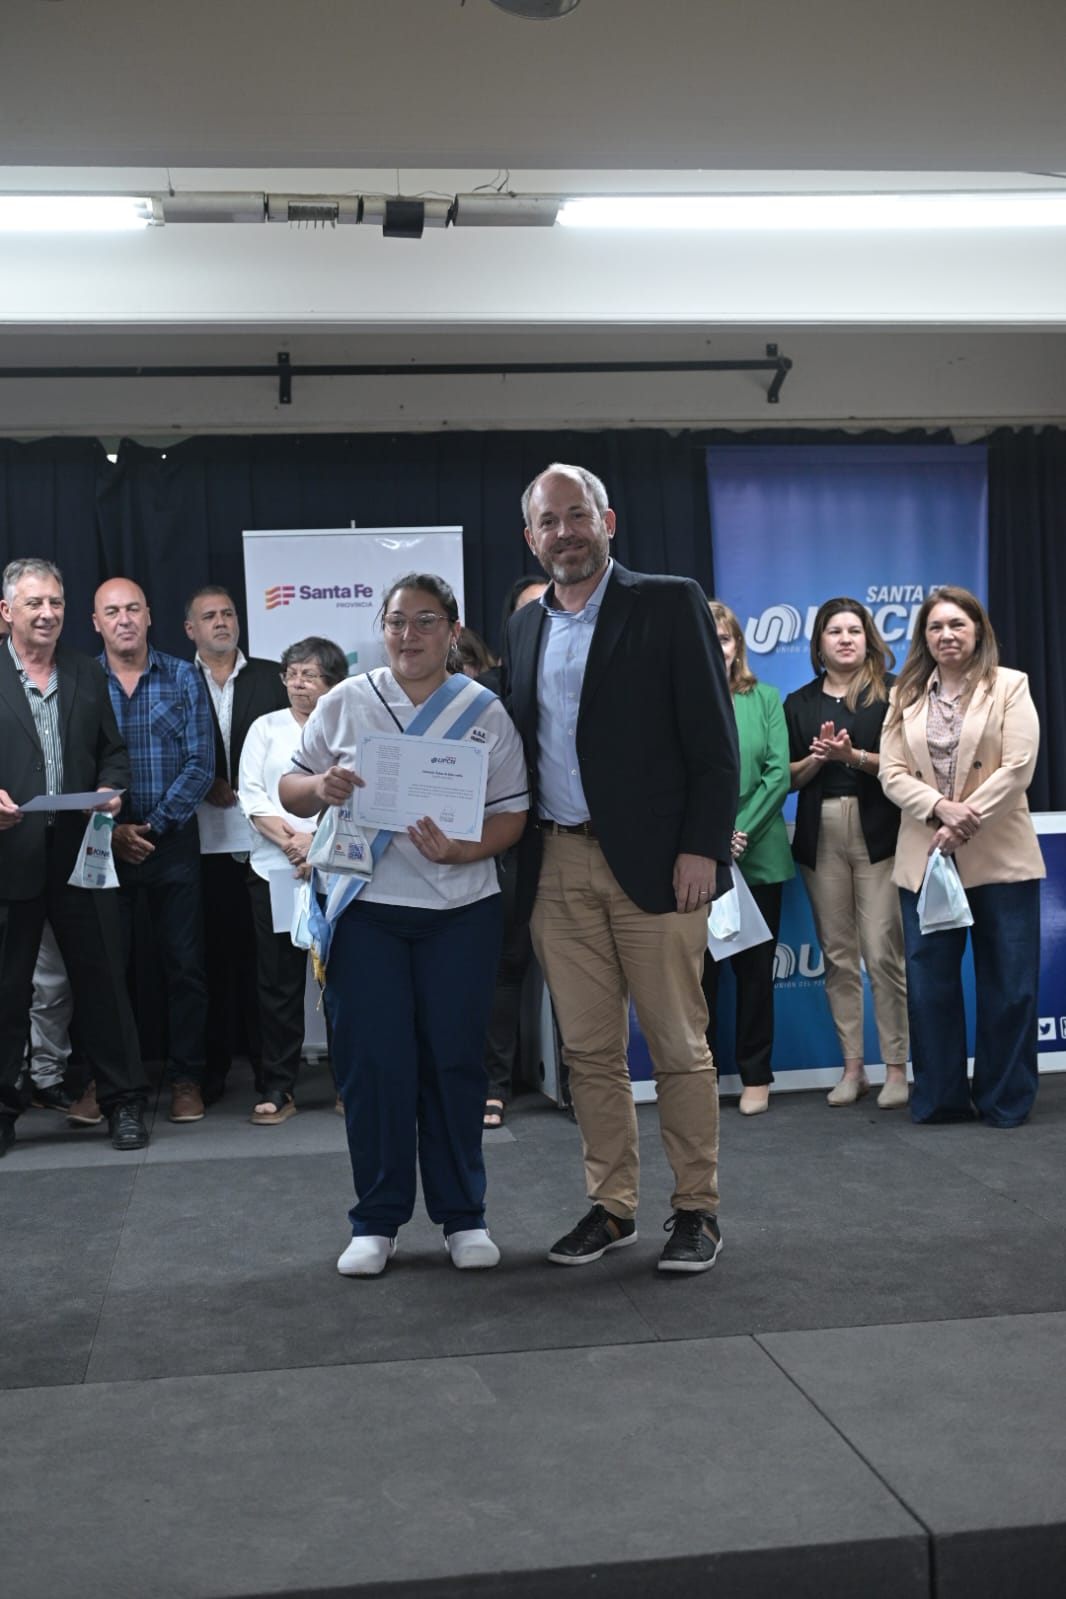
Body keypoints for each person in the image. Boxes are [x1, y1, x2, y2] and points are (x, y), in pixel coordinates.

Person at [504, 463, 739, 1274]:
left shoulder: (669, 601)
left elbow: (713, 740)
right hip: (556, 864)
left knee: (678, 1043)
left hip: (662, 865)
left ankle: (697, 1209)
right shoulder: (525, 627)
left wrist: (702, 845)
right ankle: (612, 1206)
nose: (564, 533)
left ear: (608, 521)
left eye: (577, 515)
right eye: (548, 521)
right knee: (590, 1052)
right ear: (530, 537)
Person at [279, 573, 528, 1277]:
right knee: (374, 1067)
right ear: (381, 629)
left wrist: (464, 850)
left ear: (453, 630)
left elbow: (512, 814)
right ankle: (376, 1219)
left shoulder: (483, 710)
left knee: (455, 1062)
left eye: (425, 621)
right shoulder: (346, 700)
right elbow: (291, 788)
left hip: (460, 913)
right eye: (396, 622)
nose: (408, 635)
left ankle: (463, 1214)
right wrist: (320, 787)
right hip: (366, 915)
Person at [0, 558, 150, 1158]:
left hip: (81, 853)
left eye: (56, 603)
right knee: (6, 991)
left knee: (105, 983)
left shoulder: (86, 671)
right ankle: (3, 1111)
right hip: (10, 857)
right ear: (6, 611)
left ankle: (125, 1103)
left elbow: (113, 752)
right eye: (34, 603)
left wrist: (112, 788)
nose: (47, 613)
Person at [880, 587, 1045, 1127]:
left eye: (957, 624)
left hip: (999, 857)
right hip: (926, 857)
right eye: (935, 627)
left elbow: (1018, 767)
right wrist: (938, 809)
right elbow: (891, 773)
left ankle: (1004, 1099)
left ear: (978, 630)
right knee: (930, 987)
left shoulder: (1011, 685)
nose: (946, 635)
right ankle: (941, 1099)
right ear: (924, 637)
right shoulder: (904, 694)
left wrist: (961, 821)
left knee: (1010, 985)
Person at [94, 576, 216, 1122]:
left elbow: (201, 765)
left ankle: (187, 1077)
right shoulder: (82, 681)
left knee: (185, 966)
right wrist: (114, 832)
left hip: (171, 844)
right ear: (96, 623)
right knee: (106, 969)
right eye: (112, 611)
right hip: (103, 846)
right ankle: (110, 1082)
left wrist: (153, 827)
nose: (124, 619)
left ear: (148, 616)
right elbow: (75, 767)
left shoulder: (185, 676)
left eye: (133, 609)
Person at [783, 597, 909, 1108]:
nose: (845, 639)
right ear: (819, 643)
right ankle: (853, 1069)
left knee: (882, 952)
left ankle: (896, 1069)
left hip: (880, 831)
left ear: (868, 638)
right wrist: (817, 760)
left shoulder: (894, 692)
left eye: (854, 630)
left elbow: (905, 765)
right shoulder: (799, 702)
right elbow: (787, 777)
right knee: (838, 957)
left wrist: (852, 756)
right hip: (820, 832)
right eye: (834, 631)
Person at [238, 635, 348, 1123]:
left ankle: (350, 1084)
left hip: (337, 873)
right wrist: (292, 845)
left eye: (309, 675)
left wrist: (315, 846)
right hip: (274, 870)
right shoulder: (265, 728)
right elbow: (252, 795)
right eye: (292, 674)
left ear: (333, 682)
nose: (298, 683)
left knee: (343, 982)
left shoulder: (347, 726)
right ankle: (278, 1086)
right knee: (278, 985)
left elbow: (356, 795)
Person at [185, 586, 289, 1102]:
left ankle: (273, 1072)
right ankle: (212, 1070)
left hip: (265, 842)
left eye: (228, 613)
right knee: (210, 961)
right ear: (191, 630)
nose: (221, 622)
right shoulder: (177, 679)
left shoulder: (271, 677)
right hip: (198, 842)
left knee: (267, 964)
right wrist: (204, 780)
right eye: (209, 616)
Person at [702, 601, 794, 1115]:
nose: (716, 646)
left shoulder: (766, 698)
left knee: (756, 975)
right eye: (706, 636)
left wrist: (738, 832)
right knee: (700, 978)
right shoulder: (677, 696)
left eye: (723, 638)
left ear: (737, 645)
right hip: (697, 856)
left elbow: (778, 775)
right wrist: (711, 836)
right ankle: (702, 1076)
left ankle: (756, 1075)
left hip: (757, 855)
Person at [479, 575, 547, 1129]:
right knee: (504, 966)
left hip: (581, 841)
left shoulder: (588, 678)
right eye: (531, 611)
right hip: (508, 846)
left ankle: (580, 1081)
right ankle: (493, 1084)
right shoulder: (486, 691)